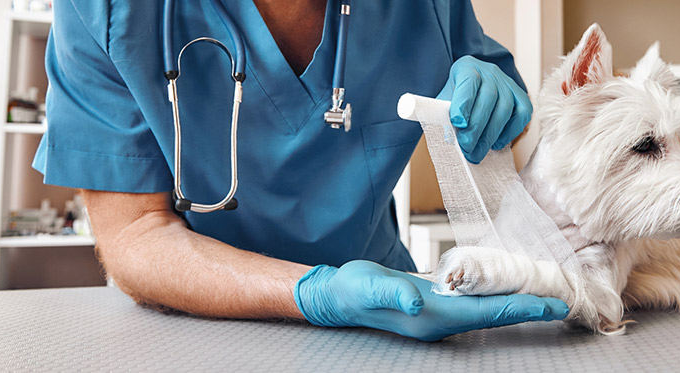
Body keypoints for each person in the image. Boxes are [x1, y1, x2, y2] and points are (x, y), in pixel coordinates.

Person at [34, 0, 568, 342]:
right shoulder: (106, 11)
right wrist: (318, 294)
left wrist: (499, 100)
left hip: (393, 311)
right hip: (198, 321)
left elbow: (501, 110)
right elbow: (134, 235)